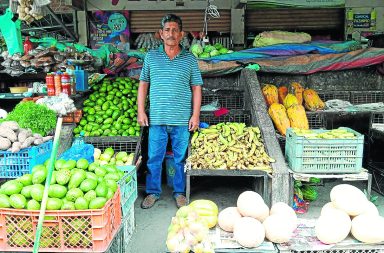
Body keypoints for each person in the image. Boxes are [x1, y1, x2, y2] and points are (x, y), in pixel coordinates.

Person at [137, 14, 203, 209]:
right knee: (154, 159)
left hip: (182, 119)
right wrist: (141, 111)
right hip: (157, 118)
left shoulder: (190, 59)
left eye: (175, 30)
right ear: (161, 34)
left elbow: (197, 88)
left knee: (180, 159)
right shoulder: (151, 57)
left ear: (181, 34)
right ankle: (152, 192)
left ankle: (180, 192)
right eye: (167, 30)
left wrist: (196, 115)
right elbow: (143, 85)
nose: (171, 34)